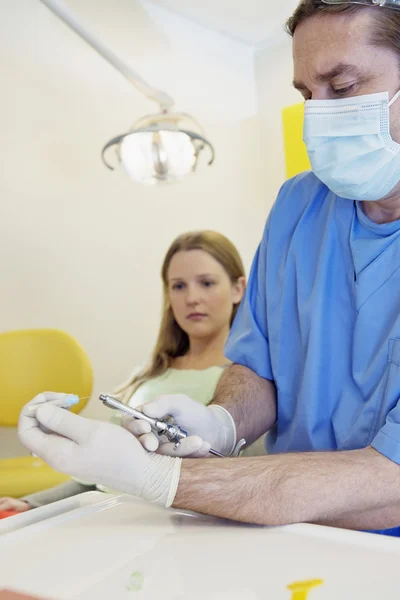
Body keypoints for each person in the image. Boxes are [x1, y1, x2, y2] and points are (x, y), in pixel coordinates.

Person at [17, 0, 400, 536]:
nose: (321, 114)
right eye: (306, 95)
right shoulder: (299, 205)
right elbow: (257, 368)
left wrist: (158, 478)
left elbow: (389, 483)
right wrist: (222, 421)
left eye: (342, 87)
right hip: (288, 536)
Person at [1, 230, 246, 513]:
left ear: (238, 288)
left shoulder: (247, 387)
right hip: (110, 512)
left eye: (206, 283)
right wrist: (33, 503)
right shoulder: (148, 376)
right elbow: (99, 476)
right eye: (178, 286)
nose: (192, 298)